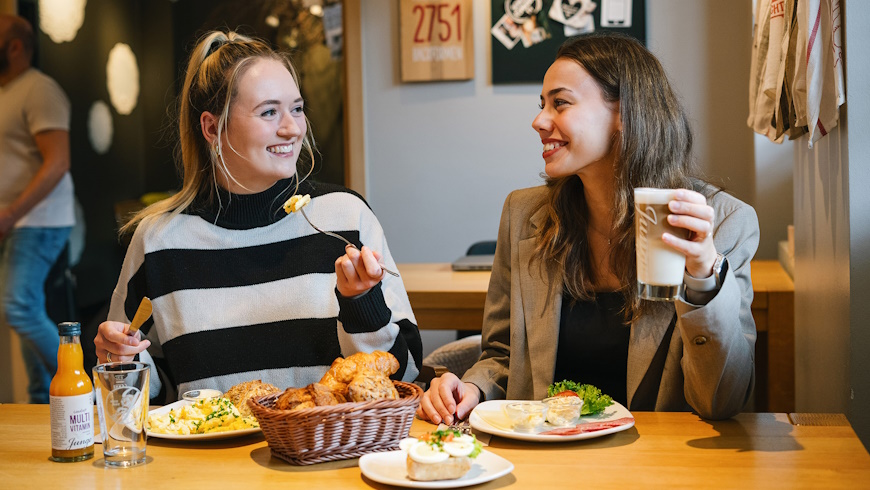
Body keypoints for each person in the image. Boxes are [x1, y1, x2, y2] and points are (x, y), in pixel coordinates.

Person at [418, 33, 759, 423]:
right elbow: (503, 355)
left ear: (625, 114)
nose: (539, 121)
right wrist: (472, 386)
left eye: (560, 103)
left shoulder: (720, 223)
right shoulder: (523, 213)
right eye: (542, 104)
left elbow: (723, 401)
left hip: (658, 467)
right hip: (547, 460)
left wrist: (702, 278)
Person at [94, 30, 422, 402]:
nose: (293, 128)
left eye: (296, 108)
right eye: (269, 112)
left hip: (328, 454)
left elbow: (406, 373)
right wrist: (118, 363)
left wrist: (362, 304)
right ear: (212, 127)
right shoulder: (158, 241)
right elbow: (144, 400)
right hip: (207, 459)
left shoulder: (344, 217)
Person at [0, 14, 75, 404]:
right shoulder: (6, 93)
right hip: (15, 223)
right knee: (27, 312)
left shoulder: (39, 90)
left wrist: (10, 213)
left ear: (15, 46)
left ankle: (85, 392)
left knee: (19, 306)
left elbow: (57, 162)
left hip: (39, 221)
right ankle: (40, 401)